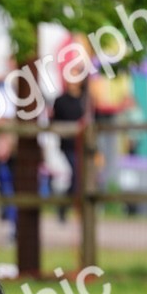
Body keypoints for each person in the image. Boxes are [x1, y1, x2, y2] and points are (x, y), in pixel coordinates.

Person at [51, 77, 87, 223]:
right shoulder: (60, 101)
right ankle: (65, 207)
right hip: (68, 146)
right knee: (75, 177)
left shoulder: (85, 100)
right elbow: (55, 123)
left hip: (83, 146)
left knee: (82, 179)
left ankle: (72, 208)